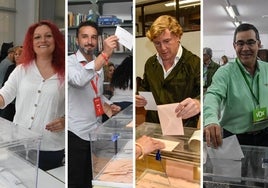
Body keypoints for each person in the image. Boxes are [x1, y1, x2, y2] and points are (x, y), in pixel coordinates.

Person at [0, 20, 65, 170]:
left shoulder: (65, 72)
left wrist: (65, 121)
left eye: (48, 36)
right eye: (37, 37)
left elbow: (75, 106)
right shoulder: (21, 70)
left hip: (50, 148)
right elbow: (4, 96)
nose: (43, 40)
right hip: (19, 144)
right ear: (31, 42)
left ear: (56, 40)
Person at [68, 20, 121, 188]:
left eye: (93, 37)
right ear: (77, 40)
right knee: (75, 181)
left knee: (90, 179)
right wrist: (104, 55)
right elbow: (79, 80)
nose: (89, 41)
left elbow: (96, 94)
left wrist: (108, 104)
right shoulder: (69, 62)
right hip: (75, 133)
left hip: (95, 131)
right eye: (84, 37)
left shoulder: (98, 65)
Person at [204, 23, 268, 148]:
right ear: (234, 46)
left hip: (265, 135)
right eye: (240, 43)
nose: (245, 48)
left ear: (258, 44)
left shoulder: (267, 69)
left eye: (250, 42)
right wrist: (211, 119)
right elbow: (213, 95)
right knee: (235, 168)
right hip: (235, 138)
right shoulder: (225, 72)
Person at [136, 15, 200, 128]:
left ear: (178, 37)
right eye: (157, 43)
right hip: (154, 125)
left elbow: (206, 93)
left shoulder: (194, 63)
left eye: (167, 41)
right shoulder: (150, 63)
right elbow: (145, 87)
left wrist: (199, 102)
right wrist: (138, 97)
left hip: (183, 128)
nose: (163, 48)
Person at [0, 46, 23, 121]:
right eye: (16, 54)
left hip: (19, 103)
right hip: (9, 102)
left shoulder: (26, 70)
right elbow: (5, 84)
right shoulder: (11, 67)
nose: (17, 56)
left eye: (20, 54)